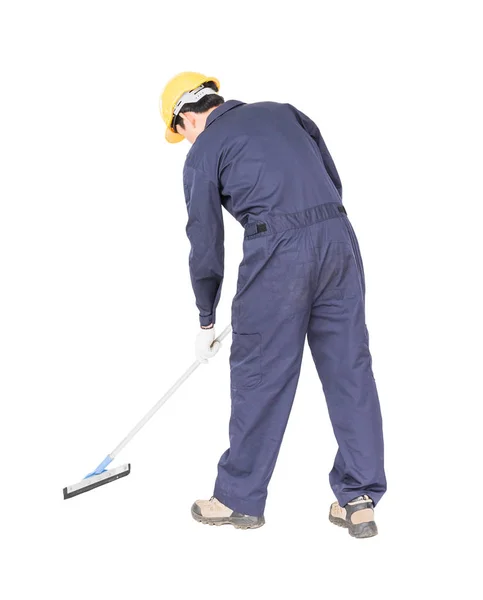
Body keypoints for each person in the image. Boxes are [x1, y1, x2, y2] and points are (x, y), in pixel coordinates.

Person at [160, 72, 386, 538]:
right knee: (349, 368)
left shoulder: (204, 151)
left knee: (260, 371)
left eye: (178, 133)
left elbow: (205, 242)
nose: (183, 142)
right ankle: (359, 498)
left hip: (280, 251)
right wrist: (318, 236)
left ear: (187, 118)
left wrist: (206, 317)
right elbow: (329, 178)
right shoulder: (284, 111)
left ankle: (238, 498)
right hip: (338, 237)